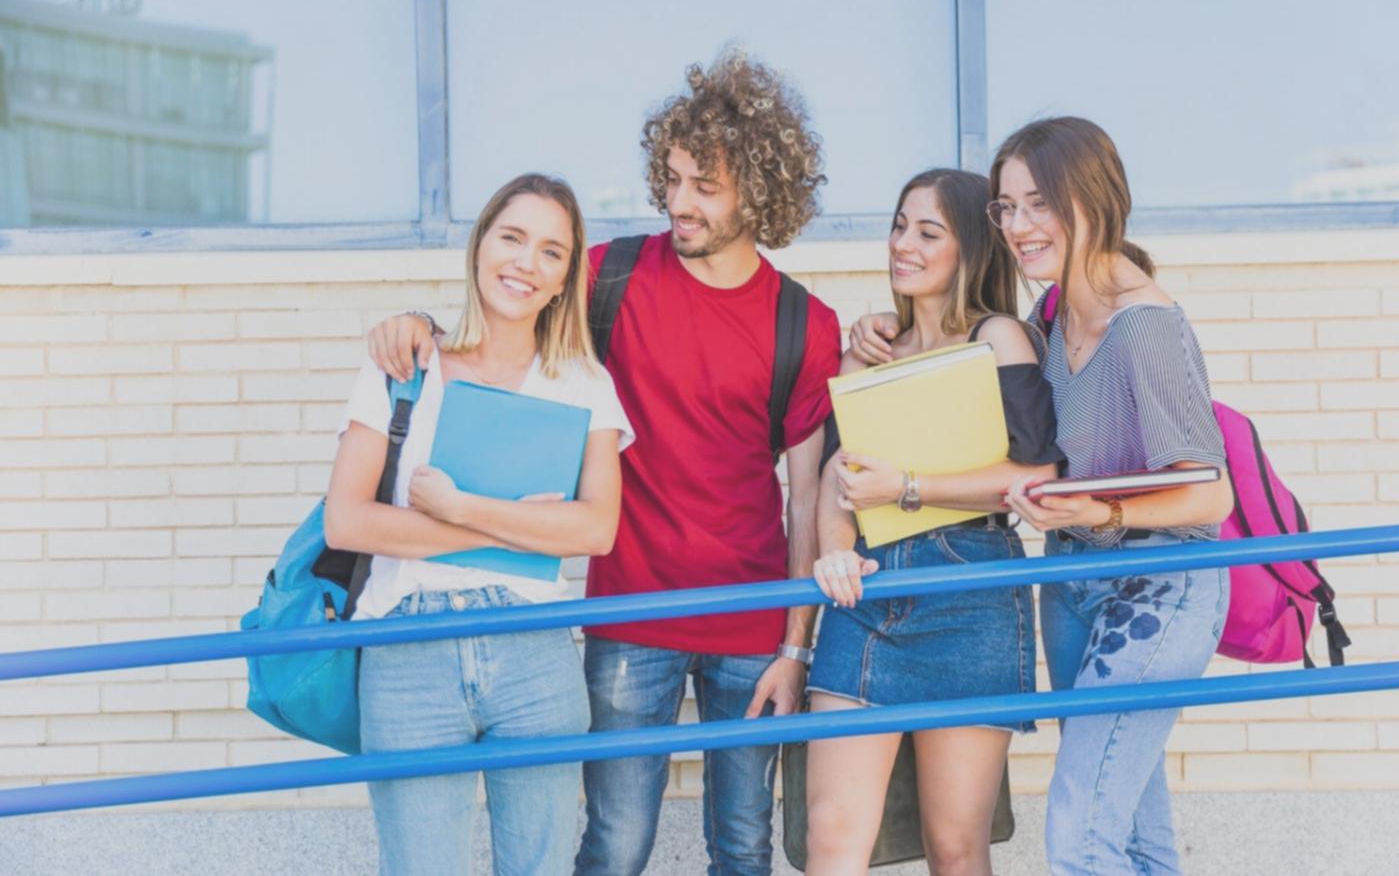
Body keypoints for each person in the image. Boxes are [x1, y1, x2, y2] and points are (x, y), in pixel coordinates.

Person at [365, 47, 842, 876]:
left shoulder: (805, 323)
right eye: (674, 177)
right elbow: (508, 309)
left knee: (744, 847)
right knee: (614, 847)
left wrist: (796, 648)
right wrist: (420, 323)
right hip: (629, 616)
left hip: (753, 620)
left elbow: (807, 499)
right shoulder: (607, 277)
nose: (678, 200)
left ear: (757, 194)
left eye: (706, 185)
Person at [851, 117, 1233, 876]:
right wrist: (880, 333)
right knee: (1131, 834)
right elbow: (964, 371)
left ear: (1092, 200)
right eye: (1004, 207)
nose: (1018, 227)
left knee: (1080, 834)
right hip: (1071, 584)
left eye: (1038, 204)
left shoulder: (1142, 325)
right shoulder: (1048, 317)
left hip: (1157, 584)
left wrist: (1103, 512)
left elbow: (1208, 493)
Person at [325, 173, 634, 876]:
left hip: (533, 653)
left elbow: (595, 530)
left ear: (564, 280)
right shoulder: (402, 366)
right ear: (478, 246)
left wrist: (461, 508)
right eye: (513, 237)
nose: (526, 262)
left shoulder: (582, 381)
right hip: (408, 649)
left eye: (551, 252)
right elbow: (347, 520)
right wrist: (513, 529)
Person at [805, 168, 1062, 876]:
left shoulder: (997, 335)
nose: (903, 244)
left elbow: (1036, 475)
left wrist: (910, 486)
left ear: (970, 246)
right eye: (898, 225)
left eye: (928, 231)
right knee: (831, 839)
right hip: (865, 593)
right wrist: (833, 550)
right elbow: (837, 474)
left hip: (971, 589)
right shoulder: (873, 348)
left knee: (954, 847)